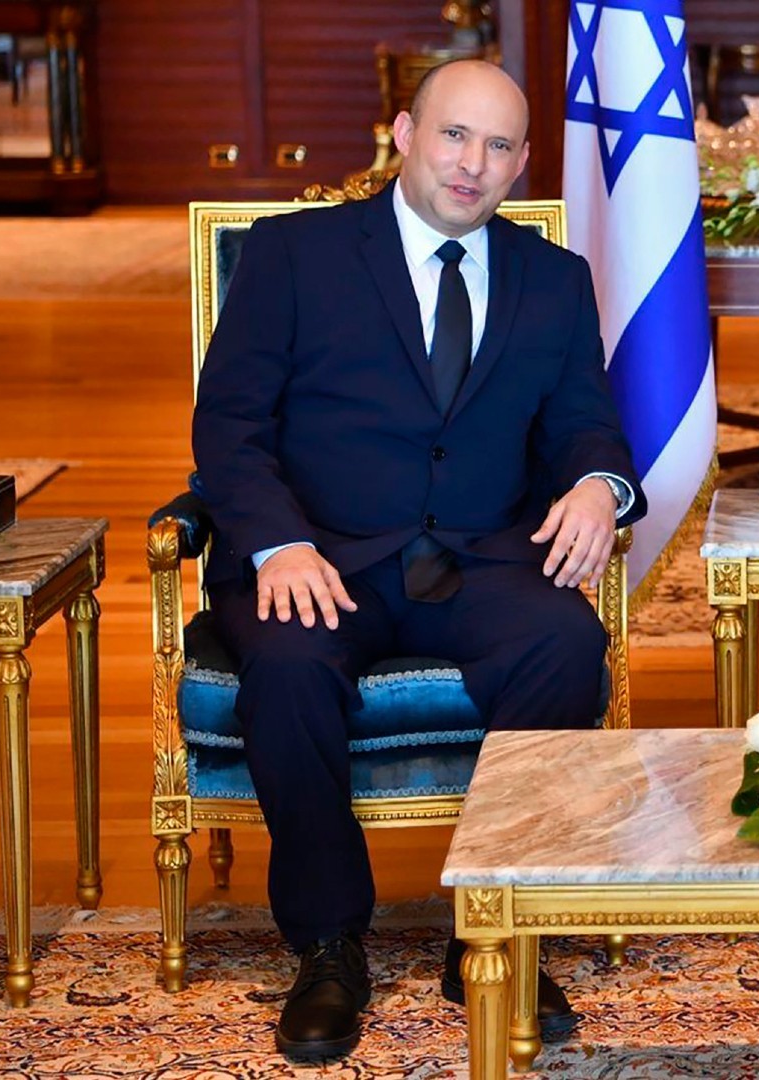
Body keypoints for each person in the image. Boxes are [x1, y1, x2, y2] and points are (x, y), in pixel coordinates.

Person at [191, 59, 644, 1061]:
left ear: (522, 163)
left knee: (567, 646)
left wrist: (595, 487)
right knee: (289, 666)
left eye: (497, 146)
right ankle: (328, 946)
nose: (471, 164)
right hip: (320, 555)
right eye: (453, 135)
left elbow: (585, 423)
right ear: (403, 133)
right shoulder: (294, 254)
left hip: (481, 560)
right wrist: (278, 543)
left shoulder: (554, 279)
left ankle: (491, 926)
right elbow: (229, 424)